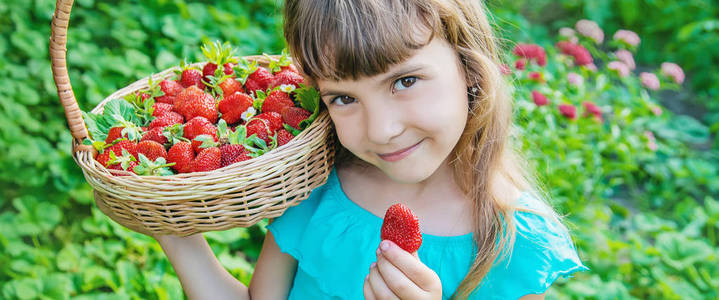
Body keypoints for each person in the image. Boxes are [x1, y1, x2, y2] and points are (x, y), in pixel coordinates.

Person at [106, 0, 589, 299]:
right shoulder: (321, 190)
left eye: (404, 81)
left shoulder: (512, 241)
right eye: (343, 97)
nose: (380, 130)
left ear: (471, 69)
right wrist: (172, 226)